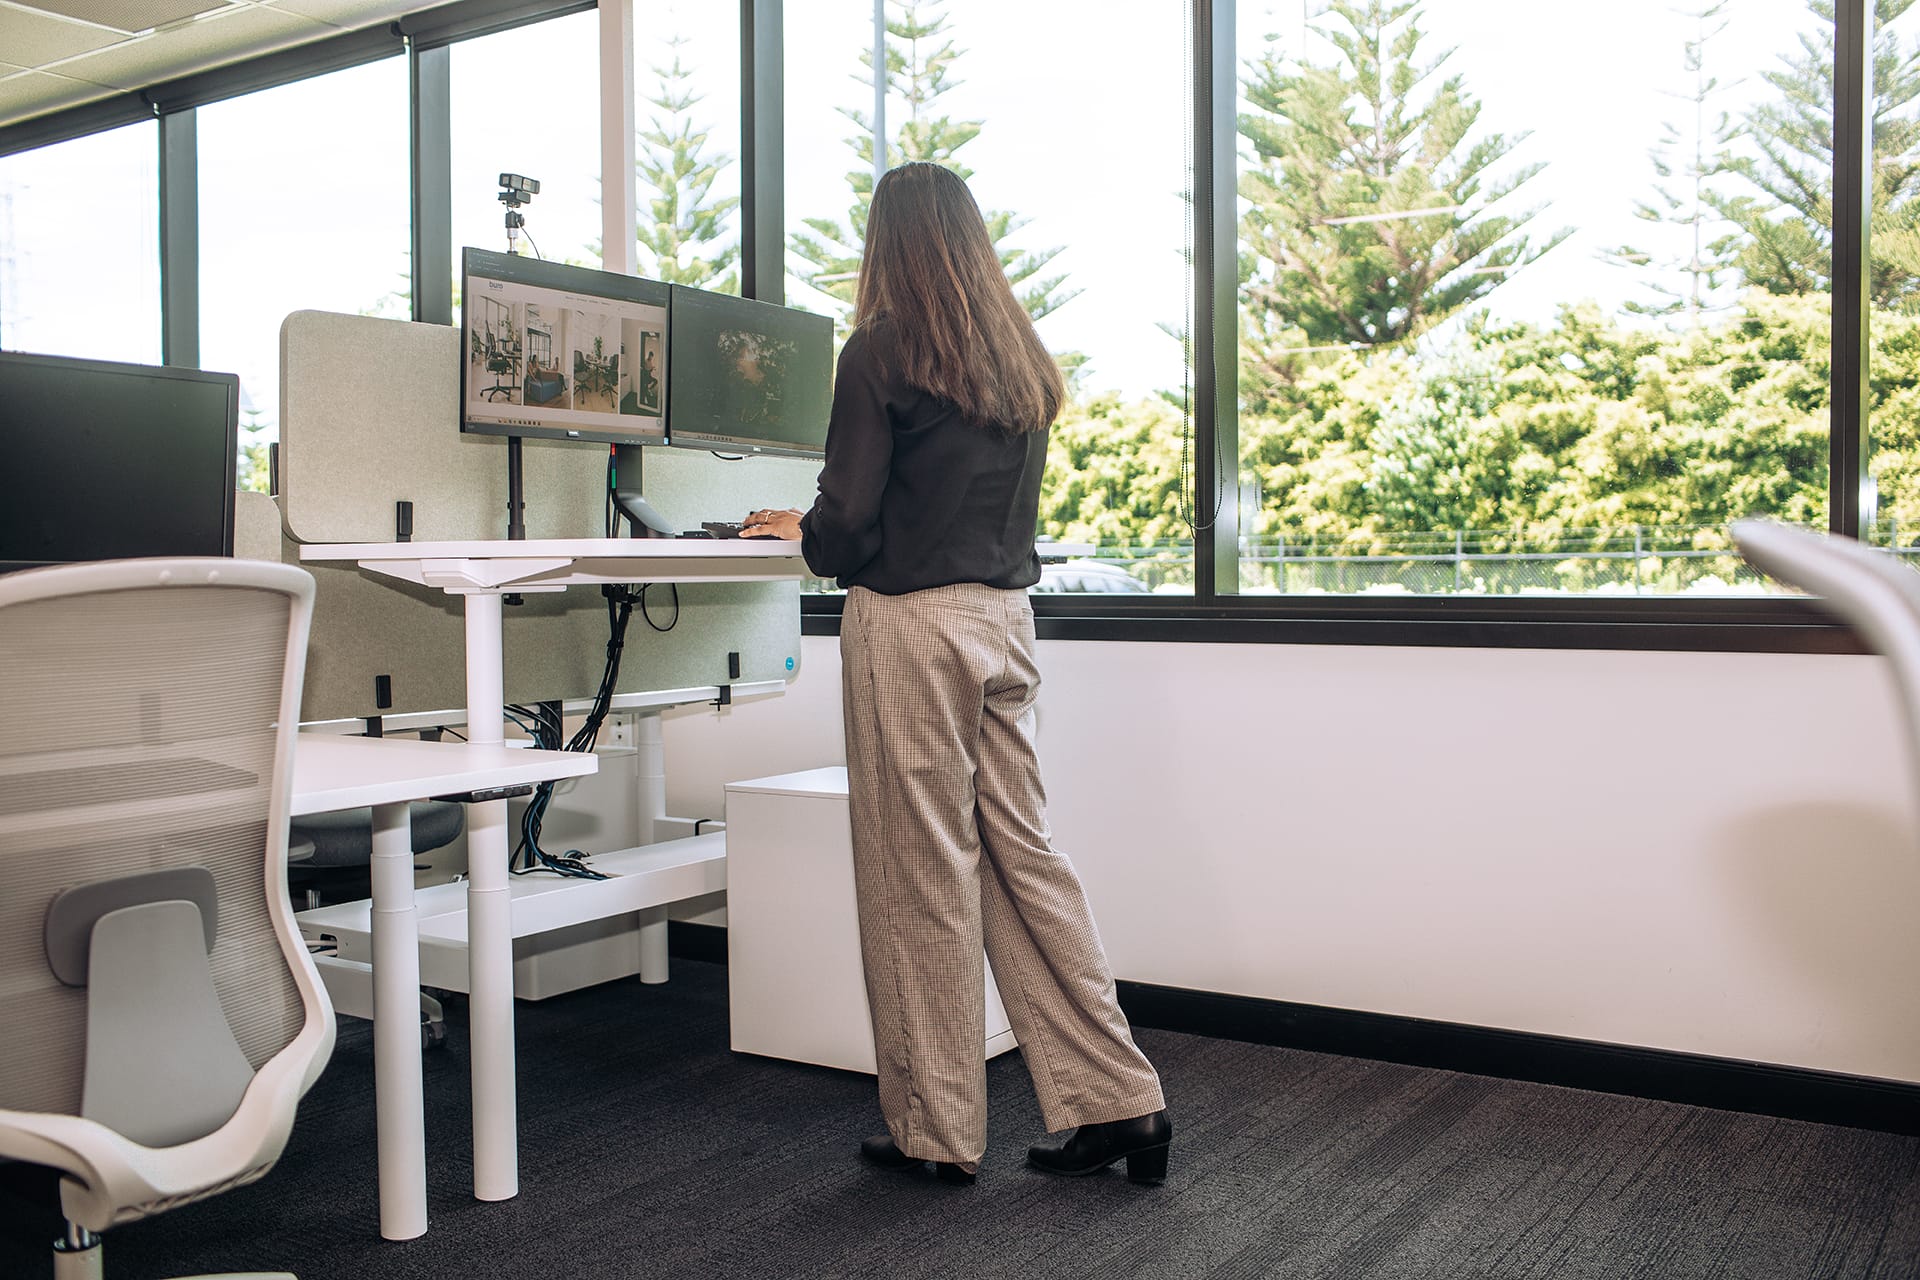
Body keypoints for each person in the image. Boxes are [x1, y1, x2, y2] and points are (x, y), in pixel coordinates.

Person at [739, 161, 1169, 1187]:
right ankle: (1122, 1100)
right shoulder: (1017, 356)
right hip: (1006, 627)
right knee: (1027, 858)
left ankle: (934, 1127)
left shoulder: (882, 351)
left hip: (915, 631)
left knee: (919, 873)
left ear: (887, 243)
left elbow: (846, 529)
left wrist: (803, 525)